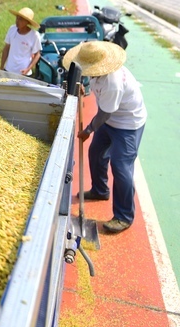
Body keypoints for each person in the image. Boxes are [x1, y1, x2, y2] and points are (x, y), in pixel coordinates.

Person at [62, 40, 147, 234]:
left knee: (121, 166)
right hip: (110, 119)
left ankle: (124, 216)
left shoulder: (113, 82)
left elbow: (104, 114)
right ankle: (100, 190)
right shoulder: (97, 71)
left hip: (127, 124)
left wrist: (89, 130)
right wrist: (85, 88)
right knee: (96, 153)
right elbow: (95, 87)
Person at [0, 7, 41, 76]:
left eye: (21, 19)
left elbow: (37, 54)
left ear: (27, 22)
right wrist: (1, 67)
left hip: (23, 73)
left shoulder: (34, 35)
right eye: (17, 18)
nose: (17, 21)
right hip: (9, 70)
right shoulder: (12, 29)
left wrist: (28, 69)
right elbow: (6, 49)